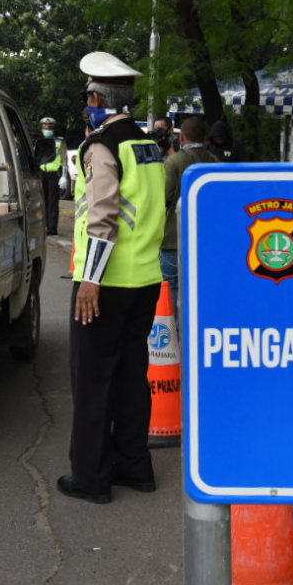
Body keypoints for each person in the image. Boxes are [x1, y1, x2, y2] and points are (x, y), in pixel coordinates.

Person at [58, 51, 167, 505]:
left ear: (98, 96)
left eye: (88, 95)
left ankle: (91, 478)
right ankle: (134, 466)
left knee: (93, 381)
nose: (87, 102)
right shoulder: (147, 144)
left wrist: (90, 280)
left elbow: (101, 215)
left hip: (105, 284)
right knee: (130, 376)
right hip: (145, 281)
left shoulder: (101, 146)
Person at [159, 116, 216, 311]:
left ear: (181, 137)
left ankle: (175, 337)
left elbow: (162, 198)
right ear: (206, 137)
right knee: (203, 292)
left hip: (174, 241)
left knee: (171, 289)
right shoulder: (215, 163)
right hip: (207, 242)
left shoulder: (174, 162)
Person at [33, 116, 66, 236]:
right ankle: (43, 225)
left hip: (54, 174)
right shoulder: (38, 142)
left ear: (53, 129)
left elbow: (64, 159)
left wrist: (64, 176)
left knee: (52, 202)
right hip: (42, 173)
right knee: (42, 201)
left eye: (49, 128)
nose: (47, 129)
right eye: (45, 128)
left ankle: (52, 228)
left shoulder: (60, 142)